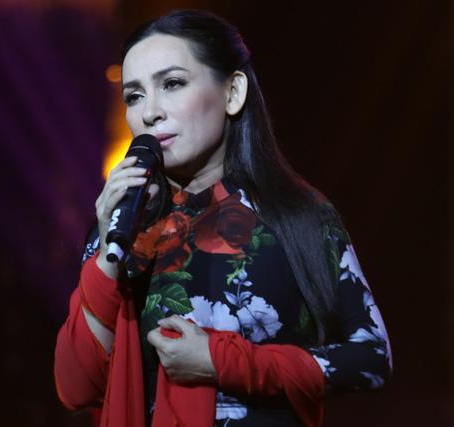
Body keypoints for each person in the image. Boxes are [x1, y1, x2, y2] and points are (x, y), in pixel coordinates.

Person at [54, 9, 392, 427]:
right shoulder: (124, 227)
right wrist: (108, 246)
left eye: (172, 84)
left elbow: (371, 358)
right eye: (134, 95)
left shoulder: (298, 216)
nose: (149, 112)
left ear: (233, 92)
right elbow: (76, 387)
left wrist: (223, 361)